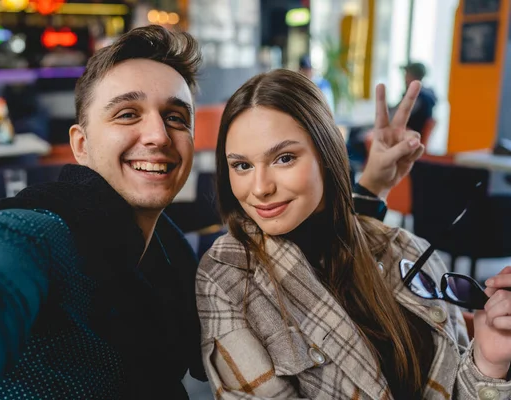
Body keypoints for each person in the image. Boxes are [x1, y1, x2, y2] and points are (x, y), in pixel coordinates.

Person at [0, 26, 422, 400]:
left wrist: (369, 183)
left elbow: (293, 257)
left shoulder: (174, 254)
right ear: (81, 144)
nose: (157, 134)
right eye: (127, 114)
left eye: (174, 117)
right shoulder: (40, 230)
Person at [196, 69, 511, 399]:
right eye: (242, 166)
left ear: (327, 154)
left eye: (284, 158)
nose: (260, 188)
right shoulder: (229, 276)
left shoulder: (406, 250)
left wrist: (487, 364)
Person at [397, 62, 437, 136]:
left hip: (408, 135)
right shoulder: (427, 94)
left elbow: (398, 117)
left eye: (406, 74)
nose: (404, 78)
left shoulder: (417, 96)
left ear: (413, 76)